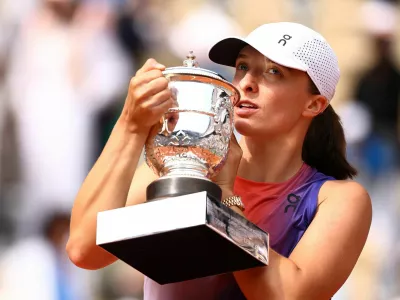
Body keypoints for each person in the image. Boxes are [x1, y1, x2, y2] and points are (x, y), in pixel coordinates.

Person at [67, 22, 372, 299]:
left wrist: (226, 198)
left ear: (314, 104)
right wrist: (130, 125)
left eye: (273, 72)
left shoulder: (339, 199)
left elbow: (284, 295)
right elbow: (84, 250)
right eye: (242, 67)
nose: (247, 83)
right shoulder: (183, 166)